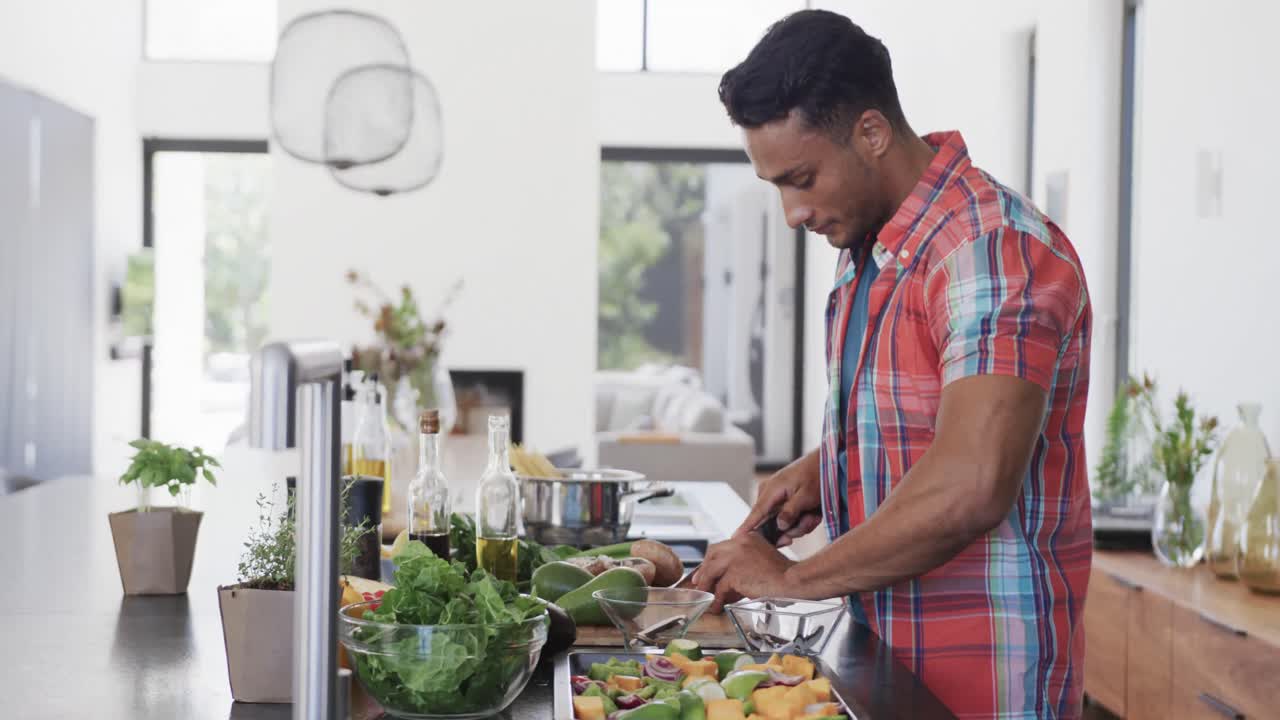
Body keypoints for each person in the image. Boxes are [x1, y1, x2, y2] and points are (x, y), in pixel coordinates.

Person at [690, 10, 1092, 719]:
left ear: (871, 133)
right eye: (777, 186)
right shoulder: (868, 253)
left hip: (984, 689)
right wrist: (831, 465)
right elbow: (932, 412)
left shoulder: (990, 249)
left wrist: (793, 577)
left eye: (802, 178)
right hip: (883, 668)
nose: (792, 212)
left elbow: (972, 483)